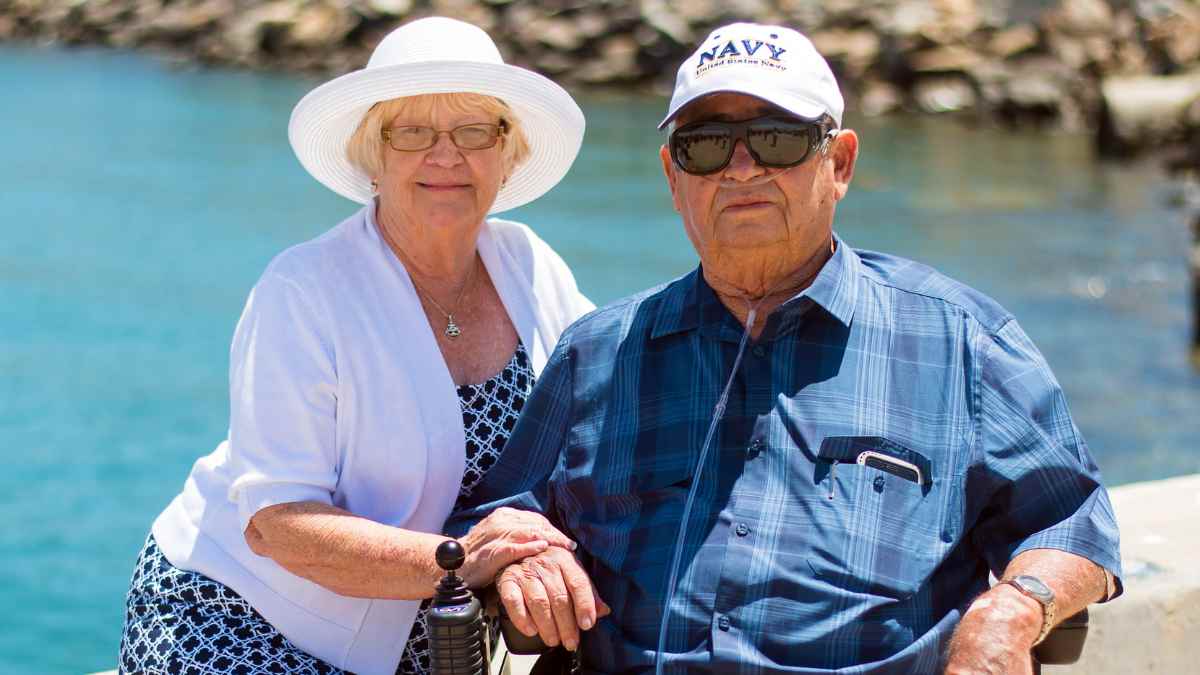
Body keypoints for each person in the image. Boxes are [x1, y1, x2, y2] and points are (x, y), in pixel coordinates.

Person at [448, 22, 1122, 674]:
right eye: (707, 146)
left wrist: (1012, 609)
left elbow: (1072, 520)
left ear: (840, 162)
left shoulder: (961, 341)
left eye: (777, 139)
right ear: (672, 176)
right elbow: (499, 509)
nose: (742, 168)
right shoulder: (597, 354)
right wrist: (522, 556)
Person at [118, 17, 591, 675]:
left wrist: (541, 549)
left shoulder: (532, 265)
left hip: (428, 635)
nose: (445, 155)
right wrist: (460, 558)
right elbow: (275, 523)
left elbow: (597, 430)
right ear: (374, 156)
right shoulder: (304, 289)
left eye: (473, 131)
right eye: (413, 132)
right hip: (241, 612)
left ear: (508, 154)